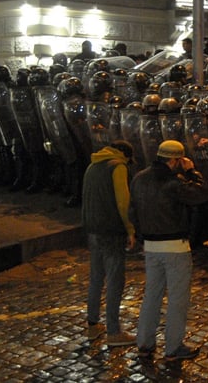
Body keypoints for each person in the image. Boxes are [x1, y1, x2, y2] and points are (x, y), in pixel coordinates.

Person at [130, 140, 208, 363]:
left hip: (151, 245)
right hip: (175, 245)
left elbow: (132, 211)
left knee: (151, 296)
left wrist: (141, 236)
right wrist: (192, 171)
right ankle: (173, 347)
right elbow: (202, 194)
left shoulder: (139, 178)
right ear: (175, 160)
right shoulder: (174, 182)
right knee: (177, 299)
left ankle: (144, 343)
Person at [82, 140, 137, 346]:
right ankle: (114, 332)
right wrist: (130, 229)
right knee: (115, 280)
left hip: (93, 229)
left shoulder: (92, 165)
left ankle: (93, 325)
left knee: (96, 278)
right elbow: (123, 202)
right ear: (124, 155)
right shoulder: (118, 167)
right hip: (111, 231)